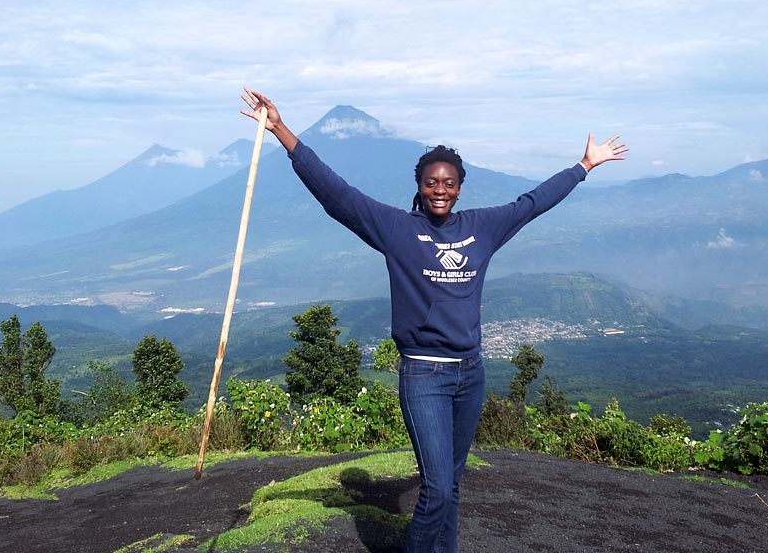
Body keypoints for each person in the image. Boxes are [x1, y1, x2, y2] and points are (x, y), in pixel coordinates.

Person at [240, 87, 627, 553]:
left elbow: (532, 203)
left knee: (452, 485)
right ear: (420, 185)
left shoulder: (482, 227)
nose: (440, 191)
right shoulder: (398, 230)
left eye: (448, 184)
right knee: (438, 488)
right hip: (424, 374)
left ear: (460, 187)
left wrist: (584, 166)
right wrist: (280, 129)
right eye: (431, 183)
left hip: (471, 373)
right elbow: (337, 194)